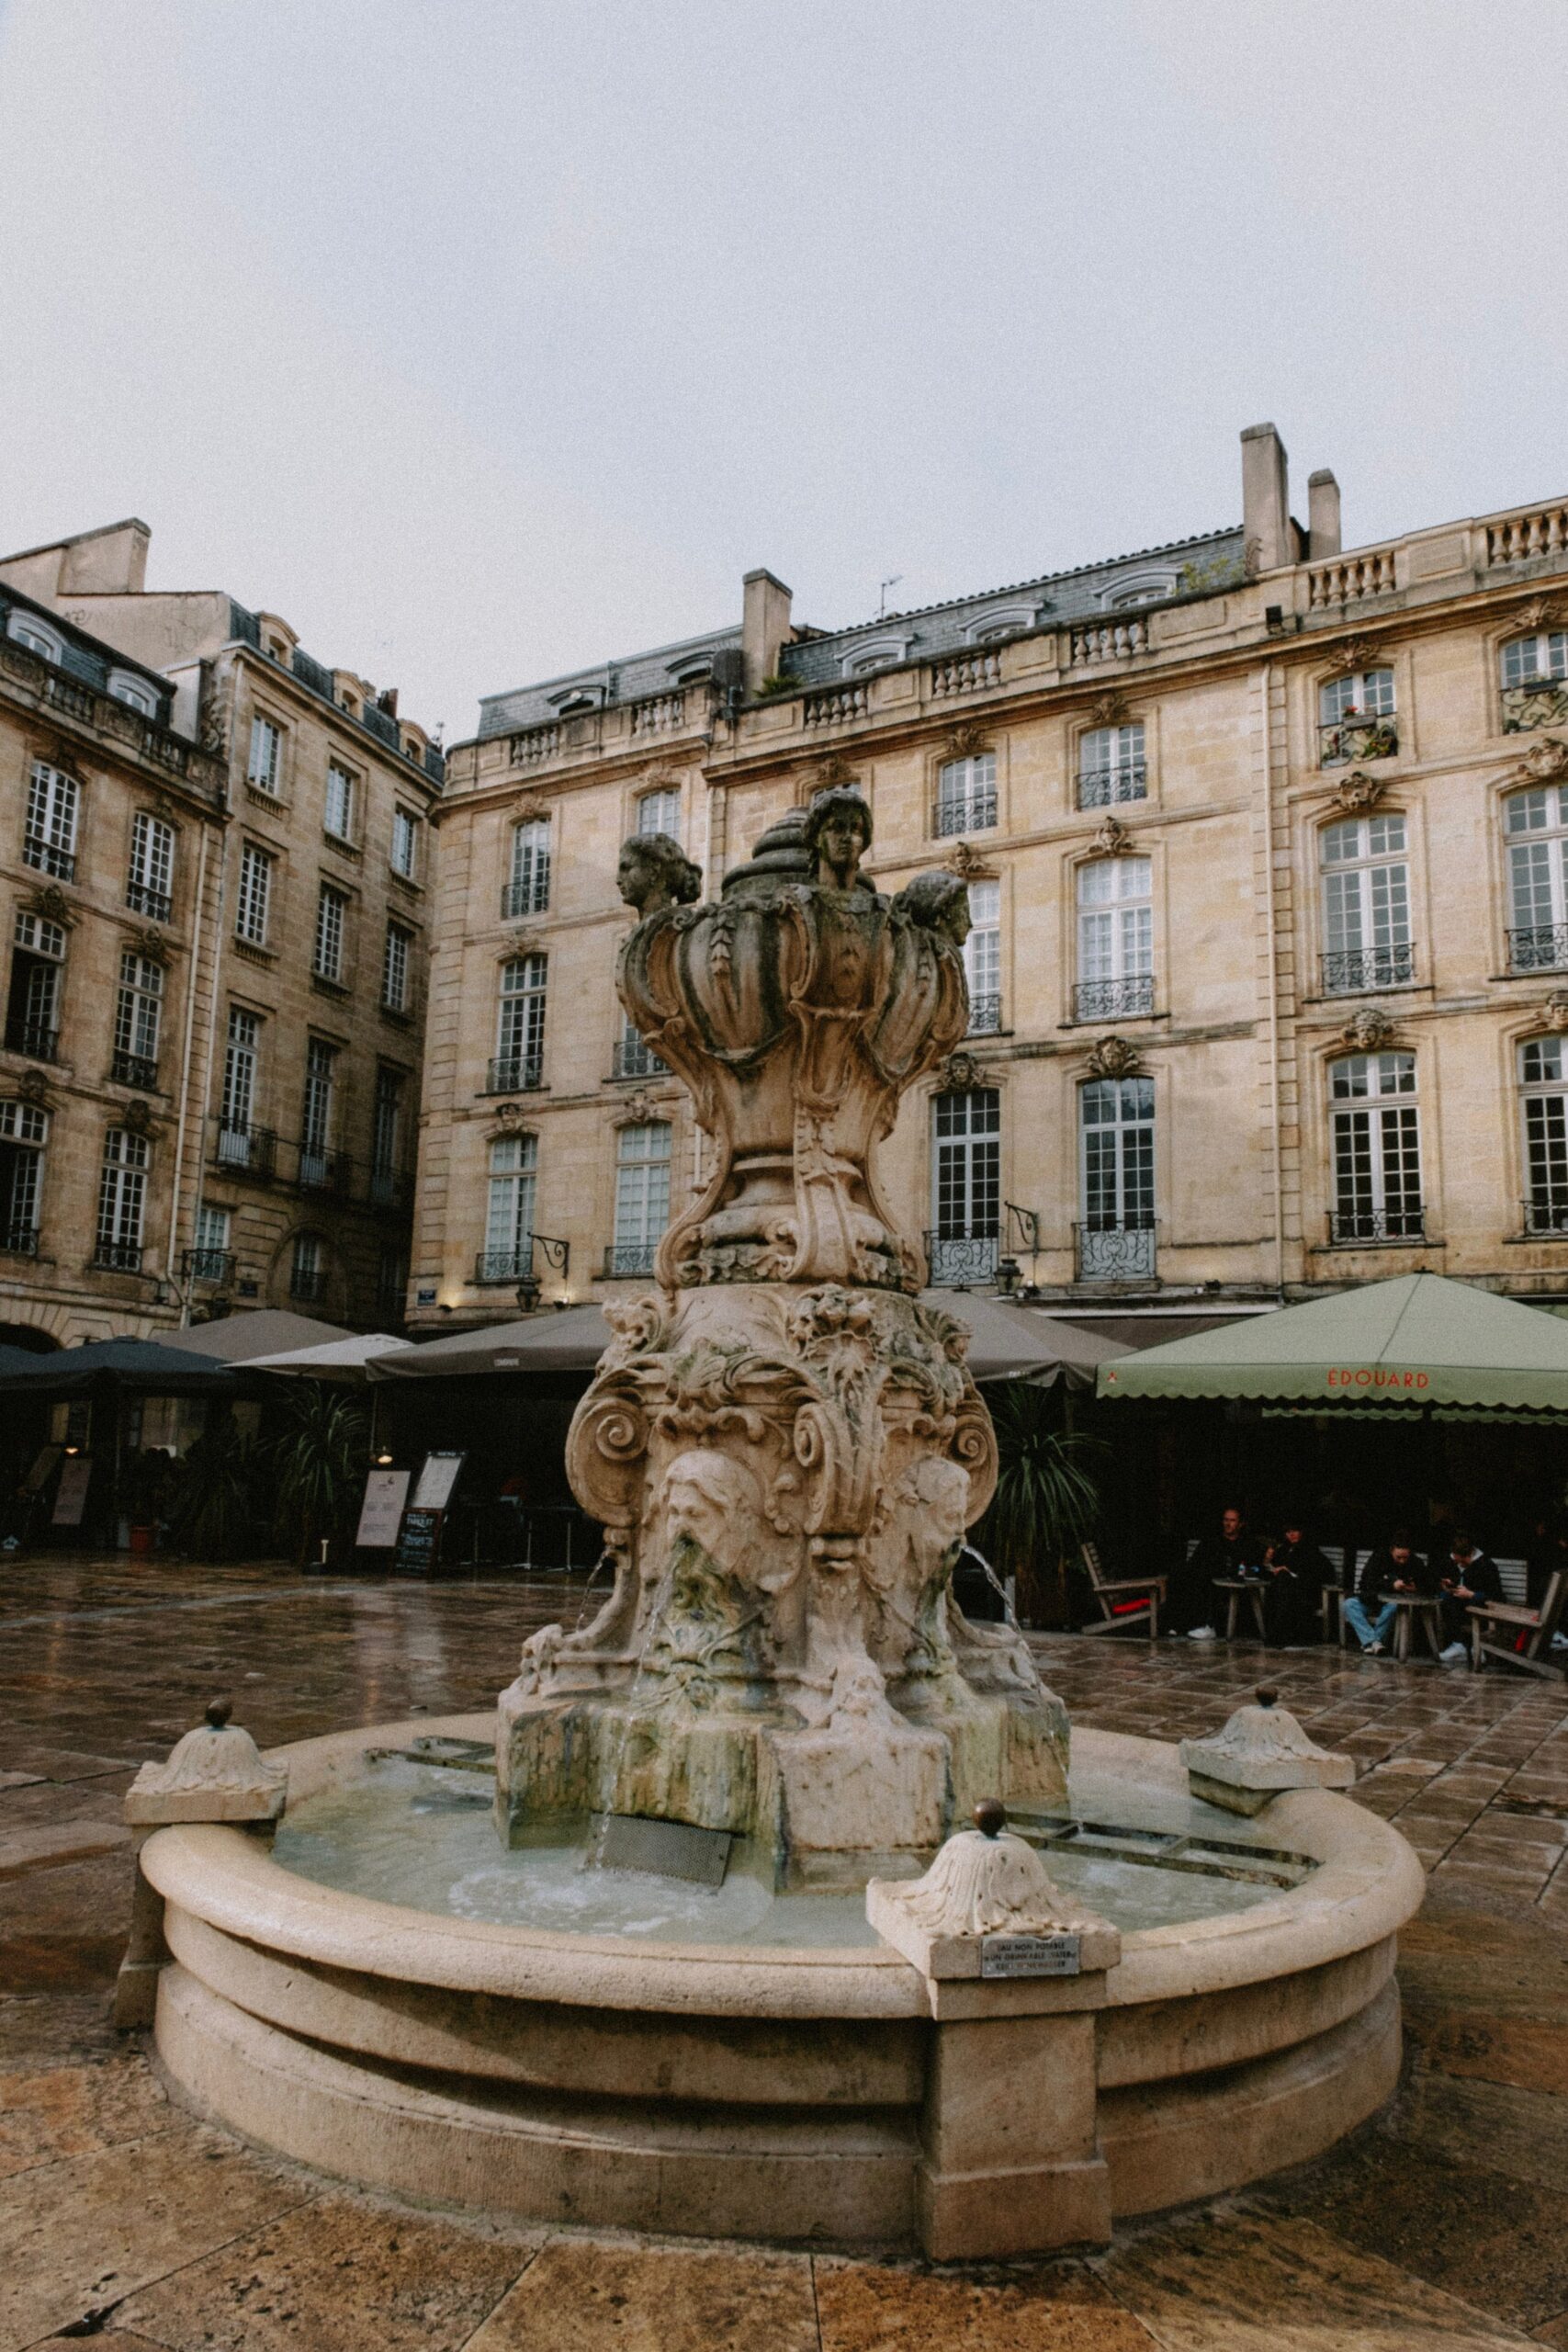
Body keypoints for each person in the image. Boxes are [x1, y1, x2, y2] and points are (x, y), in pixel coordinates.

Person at [1172, 1504, 1260, 1641]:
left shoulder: (1247, 1543)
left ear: (1240, 1524)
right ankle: (1189, 1625)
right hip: (1210, 1580)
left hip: (1235, 1584)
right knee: (1185, 1578)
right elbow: (1195, 1563)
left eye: (1232, 1520)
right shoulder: (1212, 1540)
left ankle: (1209, 1626)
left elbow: (1253, 1566)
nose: (1228, 1524)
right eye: (1226, 1520)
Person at [1343, 1529, 1430, 1657]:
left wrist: (1415, 1588)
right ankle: (1375, 1642)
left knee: (1393, 1606)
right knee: (1349, 1604)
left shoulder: (1416, 1562)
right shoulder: (1378, 1558)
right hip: (1372, 1599)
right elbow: (1367, 1582)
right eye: (1398, 1557)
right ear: (1391, 1551)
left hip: (1391, 1604)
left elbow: (1427, 1584)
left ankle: (1370, 1643)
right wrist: (1391, 1585)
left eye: (1405, 1557)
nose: (1402, 1561)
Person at [1260, 1519, 1334, 1646]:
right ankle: (1275, 1633)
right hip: (1283, 1592)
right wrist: (1268, 1560)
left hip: (1305, 1592)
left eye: (1294, 1531)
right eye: (1288, 1532)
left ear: (1302, 1532)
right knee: (1278, 1585)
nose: (1291, 1535)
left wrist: (1289, 1571)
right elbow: (1270, 1570)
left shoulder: (1310, 1549)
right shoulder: (1285, 1549)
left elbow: (1316, 1574)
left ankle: (1278, 1635)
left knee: (1284, 1581)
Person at [1437, 1532, 1503, 1664]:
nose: (1459, 1565)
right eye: (1456, 1561)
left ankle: (1471, 1647)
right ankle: (1459, 1645)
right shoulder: (1452, 1561)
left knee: (1463, 1604)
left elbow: (1497, 1596)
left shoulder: (1486, 1565)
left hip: (1481, 1606)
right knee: (1445, 1598)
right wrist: (1446, 1586)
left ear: (1470, 1555)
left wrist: (1471, 1594)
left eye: (1461, 1561)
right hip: (1460, 1605)